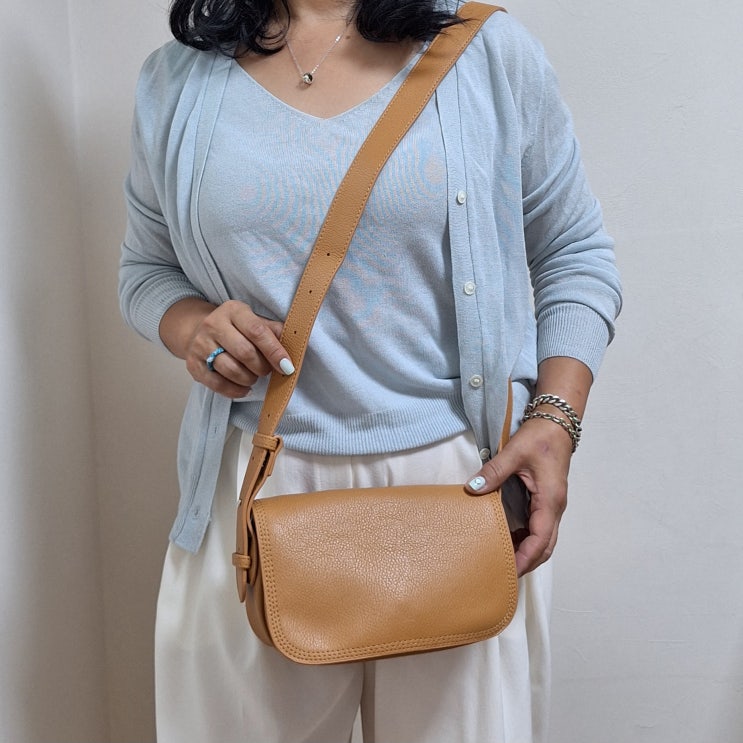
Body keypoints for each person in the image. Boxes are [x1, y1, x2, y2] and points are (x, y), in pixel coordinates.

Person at [119, 0, 622, 740]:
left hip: (457, 487)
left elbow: (574, 253)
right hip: (254, 490)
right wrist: (195, 328)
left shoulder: (486, 52)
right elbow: (146, 271)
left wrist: (556, 420)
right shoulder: (177, 80)